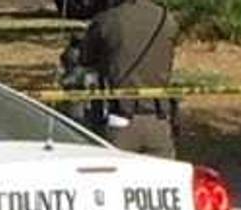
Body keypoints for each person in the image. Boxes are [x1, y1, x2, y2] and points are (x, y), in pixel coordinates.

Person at [59, 0, 179, 158]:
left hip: (120, 118)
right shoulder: (167, 19)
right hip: (160, 118)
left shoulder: (107, 20)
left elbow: (85, 59)